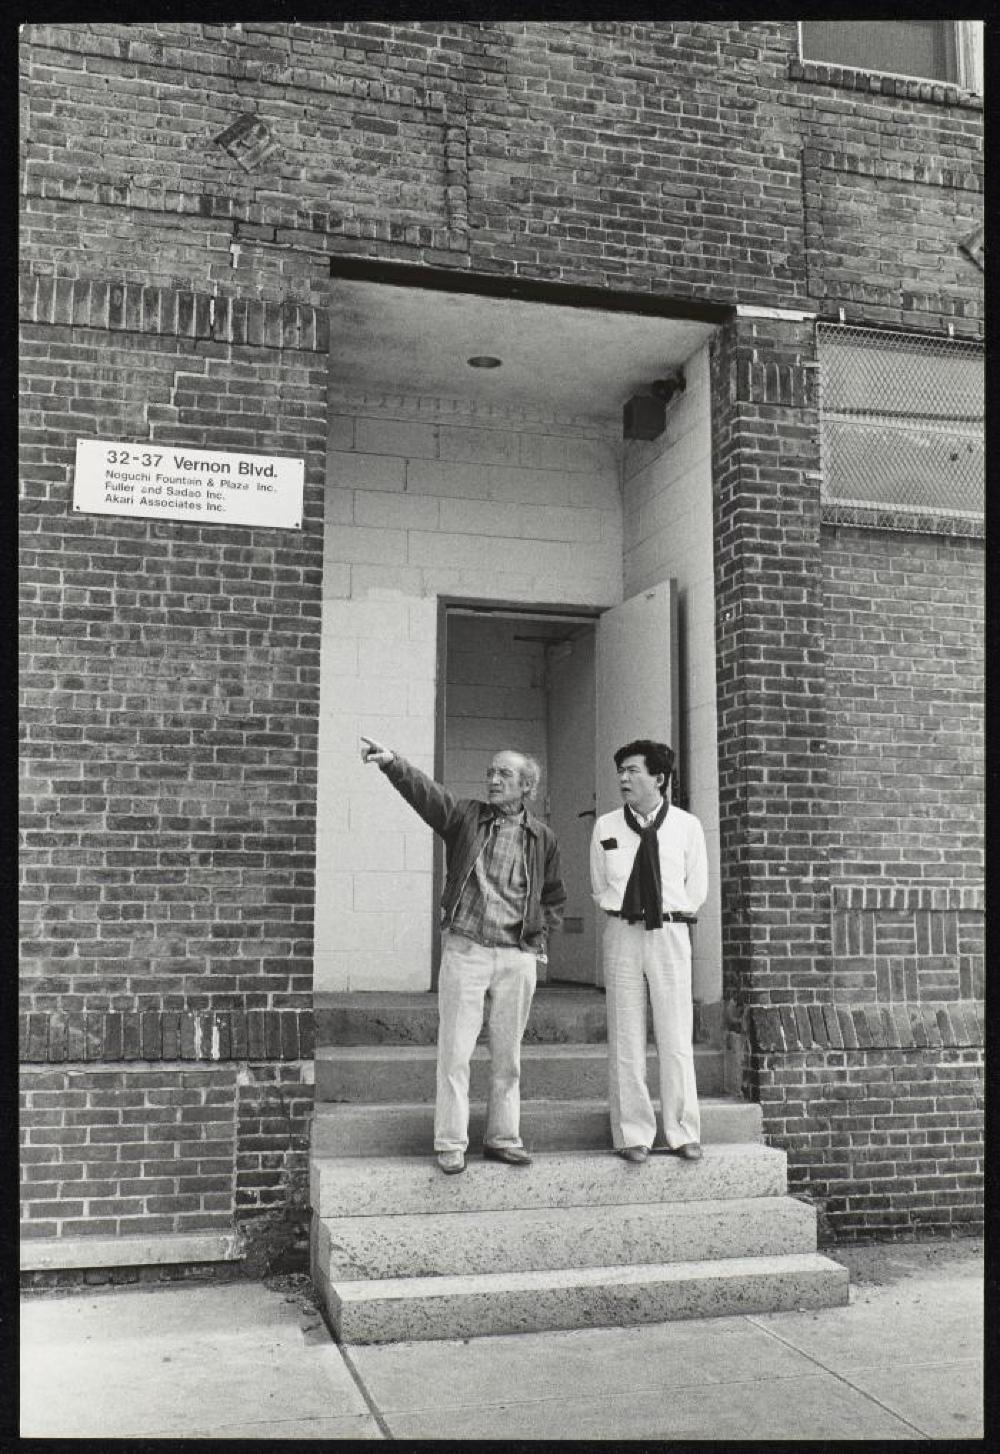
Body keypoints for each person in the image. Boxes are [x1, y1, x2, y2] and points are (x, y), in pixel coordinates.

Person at [361, 734, 566, 1175]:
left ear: (526, 786)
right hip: (466, 949)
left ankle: (503, 1138)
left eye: (504, 774)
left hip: (516, 956)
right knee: (455, 1053)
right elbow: (428, 797)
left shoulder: (542, 838)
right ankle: (451, 1142)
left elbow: (553, 897)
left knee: (507, 1057)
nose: (492, 779)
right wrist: (393, 763)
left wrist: (540, 937)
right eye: (490, 772)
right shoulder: (467, 818)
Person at [590, 739, 708, 1165]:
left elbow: (697, 887)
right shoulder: (606, 826)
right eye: (621, 770)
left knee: (675, 1035)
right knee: (626, 1035)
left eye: (633, 770)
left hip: (670, 932)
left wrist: (668, 912)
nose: (623, 778)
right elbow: (599, 884)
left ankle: (682, 1131)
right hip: (623, 932)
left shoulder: (686, 826)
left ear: (659, 778)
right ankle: (633, 1133)